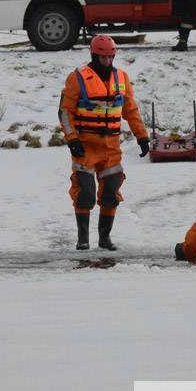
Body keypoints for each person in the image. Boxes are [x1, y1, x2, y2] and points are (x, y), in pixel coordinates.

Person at [58, 35, 151, 251]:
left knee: (111, 190)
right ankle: (83, 238)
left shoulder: (122, 78)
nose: (107, 62)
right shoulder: (77, 78)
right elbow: (65, 112)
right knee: (85, 192)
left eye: (111, 57)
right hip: (86, 145)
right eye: (103, 58)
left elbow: (131, 110)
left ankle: (104, 237)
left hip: (111, 146)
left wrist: (142, 136)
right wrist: (72, 139)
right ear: (94, 55)